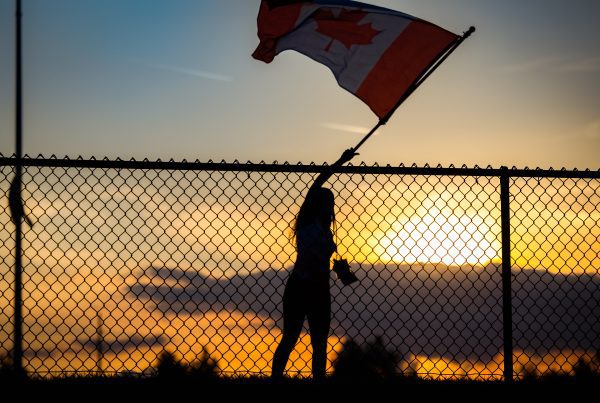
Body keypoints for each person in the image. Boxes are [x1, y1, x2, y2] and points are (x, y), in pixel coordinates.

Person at [271, 148, 358, 381]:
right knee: (290, 337)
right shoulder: (306, 222)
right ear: (317, 204)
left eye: (331, 203)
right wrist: (341, 160)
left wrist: (338, 268)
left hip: (320, 289)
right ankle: (275, 379)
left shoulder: (326, 230)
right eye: (327, 202)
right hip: (301, 286)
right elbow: (317, 183)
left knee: (319, 342)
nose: (331, 207)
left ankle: (317, 379)